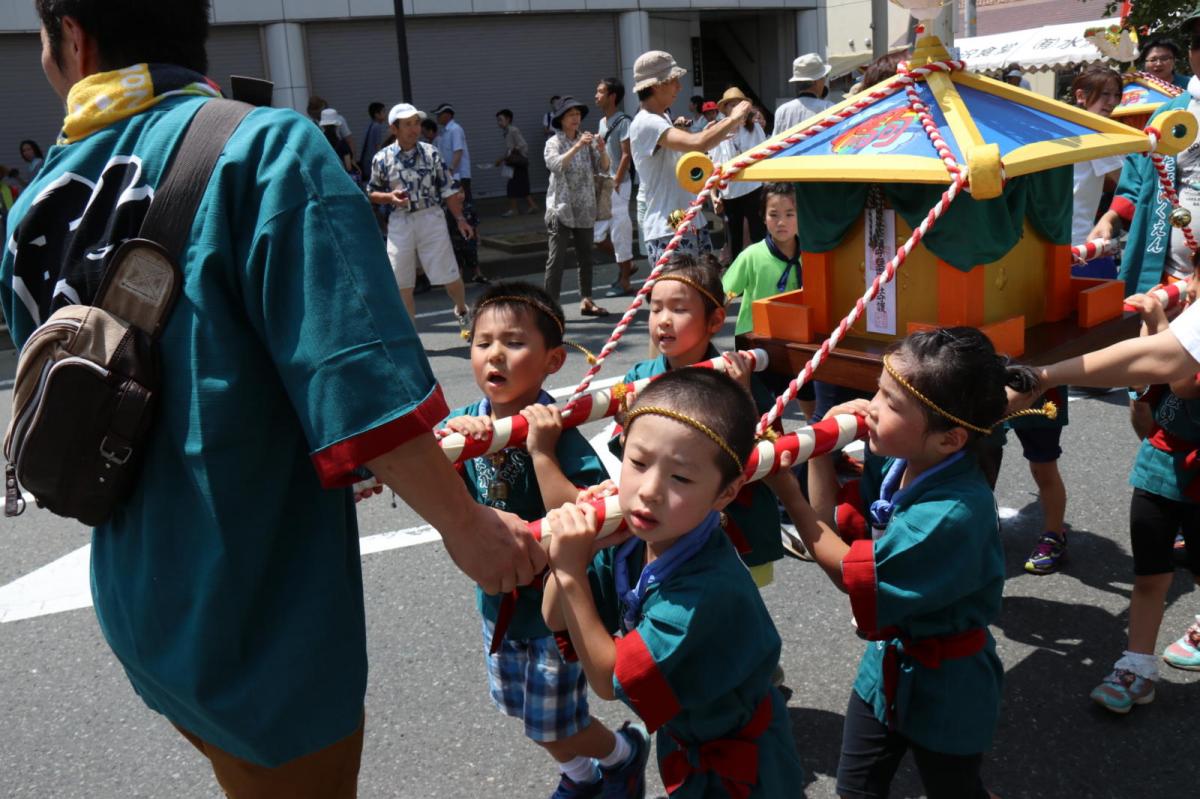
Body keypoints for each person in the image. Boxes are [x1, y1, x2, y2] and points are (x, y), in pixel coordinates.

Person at [0, 3, 542, 796]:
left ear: (72, 39)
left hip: (137, 590)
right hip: (257, 606)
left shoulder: (34, 205)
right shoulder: (264, 147)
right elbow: (358, 378)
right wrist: (468, 526)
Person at [777, 327, 1039, 799]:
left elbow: (848, 573)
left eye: (892, 403)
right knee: (856, 790)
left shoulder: (953, 512)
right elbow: (830, 526)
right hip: (888, 665)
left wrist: (788, 495)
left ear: (949, 439)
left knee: (955, 791)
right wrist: (820, 454)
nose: (872, 407)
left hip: (949, 683)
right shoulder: (898, 462)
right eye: (878, 390)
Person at [541, 368, 807, 798]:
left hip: (747, 766)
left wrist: (570, 573)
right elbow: (554, 617)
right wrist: (580, 554)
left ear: (726, 493)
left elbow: (608, 682)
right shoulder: (632, 542)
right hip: (685, 740)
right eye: (638, 463)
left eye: (680, 478)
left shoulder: (705, 591)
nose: (649, 491)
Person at [442, 282, 648, 797]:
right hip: (496, 602)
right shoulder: (465, 422)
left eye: (513, 343)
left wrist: (541, 451)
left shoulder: (557, 431)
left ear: (553, 361)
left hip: (553, 609)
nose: (494, 354)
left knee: (555, 723)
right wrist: (455, 444)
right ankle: (582, 775)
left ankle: (623, 756)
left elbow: (576, 516)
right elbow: (438, 488)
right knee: (520, 708)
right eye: (482, 342)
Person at [609, 253, 787, 591]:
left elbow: (773, 449)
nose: (663, 320)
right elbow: (626, 453)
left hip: (732, 521)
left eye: (678, 309)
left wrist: (743, 396)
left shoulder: (735, 375)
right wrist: (628, 426)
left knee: (730, 603)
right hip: (662, 516)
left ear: (715, 320)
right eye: (656, 309)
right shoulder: (639, 378)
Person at [1089, 277, 1200, 715]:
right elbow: (1147, 390)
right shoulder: (1186, 325)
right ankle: (1135, 669)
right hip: (1159, 465)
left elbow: (1183, 383)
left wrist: (1162, 328)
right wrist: (1152, 330)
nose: (1190, 287)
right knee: (1149, 574)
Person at [1090, 10, 1200, 296]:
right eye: (1198, 41)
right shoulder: (1168, 113)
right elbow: (1138, 179)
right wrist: (1110, 218)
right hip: (1170, 279)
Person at [629, 50, 753, 265]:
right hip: (670, 224)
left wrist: (715, 130)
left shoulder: (661, 117)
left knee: (699, 283)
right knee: (685, 284)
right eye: (674, 80)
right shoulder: (647, 122)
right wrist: (732, 119)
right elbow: (698, 143)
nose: (679, 87)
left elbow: (691, 148)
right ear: (657, 85)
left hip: (683, 217)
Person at [367, 102, 472, 326]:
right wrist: (390, 197)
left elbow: (448, 188)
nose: (414, 129)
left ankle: (462, 309)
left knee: (448, 274)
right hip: (399, 221)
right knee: (401, 281)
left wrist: (460, 219)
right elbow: (371, 193)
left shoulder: (431, 153)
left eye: (416, 123)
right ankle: (412, 333)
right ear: (394, 128)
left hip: (430, 216)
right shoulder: (382, 158)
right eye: (407, 124)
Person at [721, 183, 815, 419]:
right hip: (755, 339)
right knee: (760, 406)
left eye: (790, 214)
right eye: (774, 215)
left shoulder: (811, 253)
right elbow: (725, 295)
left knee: (809, 394)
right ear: (763, 217)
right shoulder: (751, 256)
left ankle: (815, 436)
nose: (781, 222)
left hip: (798, 338)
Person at [543, 95, 610, 317]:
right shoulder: (554, 142)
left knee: (586, 257)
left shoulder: (587, 140)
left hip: (585, 206)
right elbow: (556, 165)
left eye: (578, 114)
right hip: (560, 207)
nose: (576, 118)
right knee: (556, 259)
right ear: (561, 119)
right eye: (571, 114)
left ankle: (587, 300)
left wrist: (602, 149)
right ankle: (550, 306)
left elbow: (604, 167)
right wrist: (576, 147)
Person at [709, 87, 767, 258]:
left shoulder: (754, 128)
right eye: (731, 105)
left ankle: (762, 265)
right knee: (734, 237)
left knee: (758, 233)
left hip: (753, 187)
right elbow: (714, 165)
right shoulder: (719, 130)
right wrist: (713, 195)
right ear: (725, 110)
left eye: (738, 104)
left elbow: (763, 155)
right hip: (730, 192)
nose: (735, 108)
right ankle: (736, 269)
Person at [593, 77, 636, 297]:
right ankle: (627, 265)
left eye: (600, 92)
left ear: (612, 96)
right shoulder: (602, 122)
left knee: (620, 232)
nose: (596, 95)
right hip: (604, 184)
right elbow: (605, 153)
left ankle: (625, 280)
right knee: (597, 236)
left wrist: (617, 181)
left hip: (618, 185)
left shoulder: (623, 121)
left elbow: (627, 154)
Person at [774, 53, 833, 134]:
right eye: (824, 77)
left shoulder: (782, 111)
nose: (824, 82)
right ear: (816, 81)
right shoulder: (829, 108)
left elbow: (776, 140)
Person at [494, 108, 537, 217]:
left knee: (512, 186)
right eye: (498, 120)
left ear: (508, 119)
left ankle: (514, 210)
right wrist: (504, 157)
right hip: (515, 162)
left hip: (517, 163)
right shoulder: (507, 131)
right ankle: (532, 206)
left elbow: (523, 145)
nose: (498, 122)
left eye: (500, 120)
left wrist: (503, 158)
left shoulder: (513, 130)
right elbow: (510, 148)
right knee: (521, 185)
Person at [433, 102, 472, 201]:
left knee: (461, 204)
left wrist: (450, 170)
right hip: (451, 175)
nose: (437, 117)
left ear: (448, 115)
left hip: (459, 175)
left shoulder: (455, 129)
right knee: (453, 203)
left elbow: (458, 151)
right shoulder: (445, 131)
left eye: (439, 114)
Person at [306, 94, 355, 164]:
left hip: (338, 157)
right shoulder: (311, 124)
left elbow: (349, 141)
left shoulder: (339, 119)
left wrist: (352, 160)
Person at [319, 107, 360, 183]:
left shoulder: (319, 144)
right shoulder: (342, 144)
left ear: (323, 126)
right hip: (340, 181)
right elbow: (348, 167)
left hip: (325, 181)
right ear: (337, 126)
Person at [360, 101, 388, 167]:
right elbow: (378, 146)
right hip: (373, 161)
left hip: (367, 161)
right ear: (376, 114)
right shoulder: (377, 126)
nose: (386, 114)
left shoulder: (371, 125)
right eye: (383, 112)